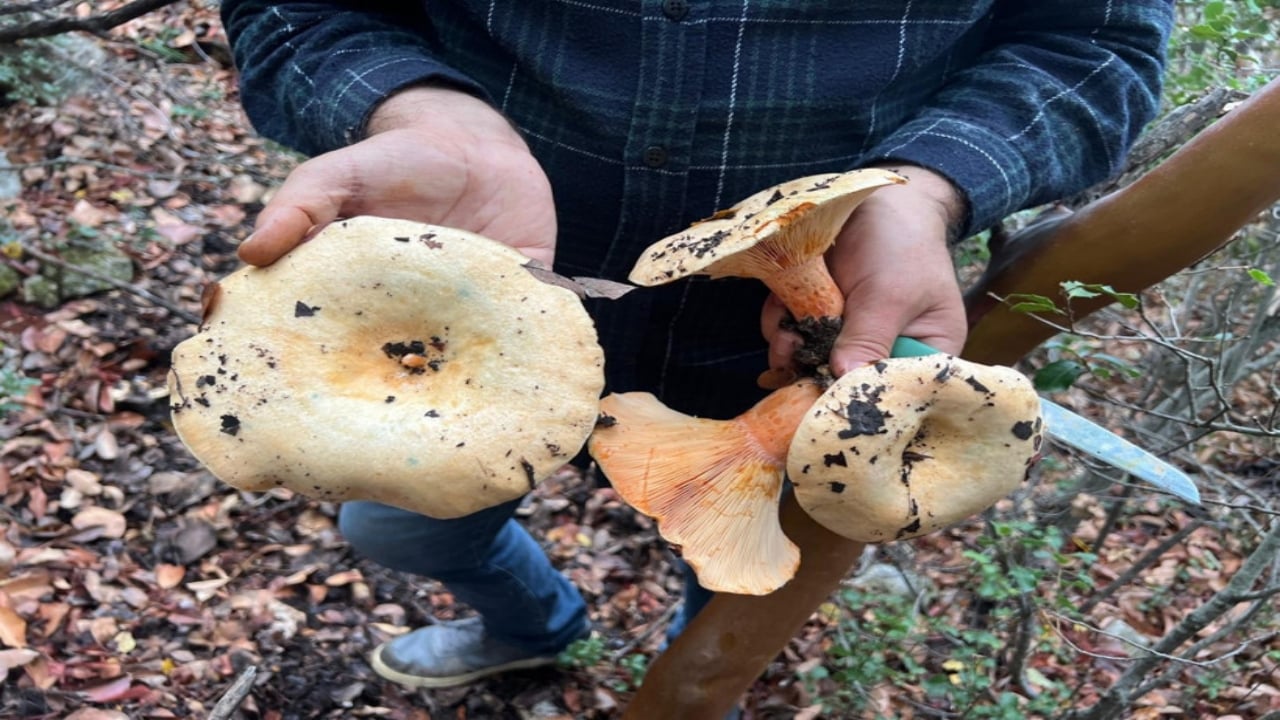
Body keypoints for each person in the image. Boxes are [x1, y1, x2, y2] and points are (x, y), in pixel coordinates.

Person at [219, 0, 1173, 701]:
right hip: (480, 295)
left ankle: (694, 652)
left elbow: (1094, 45)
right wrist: (418, 108)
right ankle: (533, 627)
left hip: (790, 330)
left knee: (734, 566)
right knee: (396, 527)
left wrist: (927, 188)